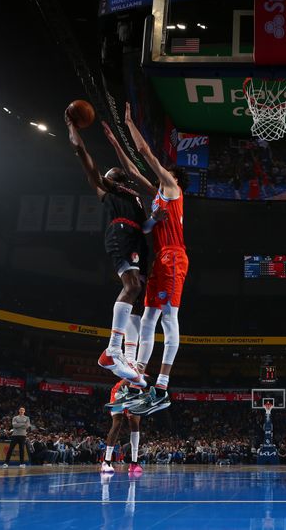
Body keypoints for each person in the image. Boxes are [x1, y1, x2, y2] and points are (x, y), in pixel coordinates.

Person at [65, 109, 152, 389]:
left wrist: (156, 220)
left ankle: (127, 357)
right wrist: (73, 129)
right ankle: (113, 349)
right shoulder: (109, 190)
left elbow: (147, 223)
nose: (108, 173)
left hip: (138, 238)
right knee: (131, 287)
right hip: (120, 233)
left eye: (112, 171)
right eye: (107, 173)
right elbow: (84, 158)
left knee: (139, 299)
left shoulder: (135, 195)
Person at [118, 103, 190, 416]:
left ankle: (162, 384)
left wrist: (130, 122)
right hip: (160, 259)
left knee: (168, 319)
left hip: (175, 256)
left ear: (173, 178)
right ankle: (139, 379)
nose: (161, 174)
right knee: (148, 318)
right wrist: (114, 141)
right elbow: (134, 173)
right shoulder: (158, 197)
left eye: (165, 172)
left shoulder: (172, 189)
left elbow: (145, 153)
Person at [101, 379, 143, 475]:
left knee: (135, 424)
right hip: (119, 393)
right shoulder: (130, 374)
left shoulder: (145, 382)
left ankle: (134, 463)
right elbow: (118, 394)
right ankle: (106, 462)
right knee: (117, 423)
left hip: (135, 396)